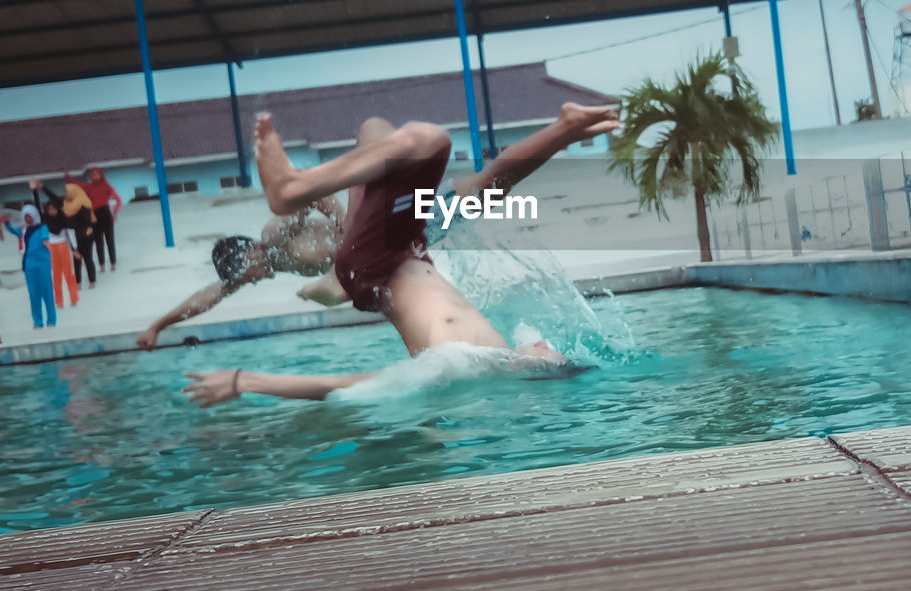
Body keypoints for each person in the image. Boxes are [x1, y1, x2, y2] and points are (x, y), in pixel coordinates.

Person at [164, 105, 618, 407]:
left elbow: (347, 385)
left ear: (539, 368)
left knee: (427, 139)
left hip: (373, 259)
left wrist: (245, 380)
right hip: (403, 248)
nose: (549, 346)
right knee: (419, 151)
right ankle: (565, 127)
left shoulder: (457, 365)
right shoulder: (496, 352)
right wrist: (566, 135)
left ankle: (292, 189)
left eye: (552, 355)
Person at [30, 180, 81, 308]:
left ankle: (74, 298)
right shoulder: (45, 219)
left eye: (54, 208)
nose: (52, 211)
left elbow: (70, 234)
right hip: (51, 248)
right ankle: (59, 301)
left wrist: (74, 249)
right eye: (50, 209)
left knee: (69, 273)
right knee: (56, 276)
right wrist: (34, 190)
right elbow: (37, 206)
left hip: (63, 246)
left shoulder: (63, 218)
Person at [4, 205, 56, 328]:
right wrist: (6, 223)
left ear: (35, 216)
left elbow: (46, 239)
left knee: (47, 291)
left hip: (43, 262)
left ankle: (51, 321)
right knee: (33, 293)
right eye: (25, 217)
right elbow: (12, 230)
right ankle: (37, 322)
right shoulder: (23, 230)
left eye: (30, 216)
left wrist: (47, 246)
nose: (28, 219)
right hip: (29, 264)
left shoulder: (42, 228)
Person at [67, 168, 121, 273]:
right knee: (98, 241)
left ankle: (113, 263)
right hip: (94, 215)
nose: (95, 176)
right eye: (93, 174)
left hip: (106, 214)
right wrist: (67, 177)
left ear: (101, 175)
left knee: (110, 239)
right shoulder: (88, 187)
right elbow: (77, 185)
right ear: (90, 176)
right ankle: (102, 265)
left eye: (97, 174)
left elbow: (118, 199)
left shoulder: (106, 186)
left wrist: (114, 213)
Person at [62, 182, 98, 290]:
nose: (66, 194)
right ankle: (78, 282)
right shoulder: (67, 206)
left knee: (87, 258)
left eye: (67, 192)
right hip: (74, 237)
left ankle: (92, 280)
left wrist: (85, 232)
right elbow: (68, 224)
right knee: (76, 260)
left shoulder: (83, 203)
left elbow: (88, 223)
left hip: (85, 236)